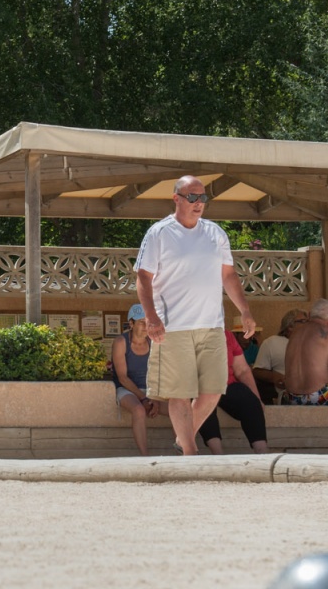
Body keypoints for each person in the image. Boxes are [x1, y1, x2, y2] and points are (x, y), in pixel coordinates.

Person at [136, 175, 258, 455]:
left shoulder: (216, 233)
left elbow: (228, 274)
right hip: (173, 327)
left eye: (202, 197)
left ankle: (185, 438)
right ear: (176, 198)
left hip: (212, 326)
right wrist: (151, 317)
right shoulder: (159, 232)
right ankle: (191, 453)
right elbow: (143, 277)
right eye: (192, 197)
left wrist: (245, 311)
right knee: (179, 393)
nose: (199, 203)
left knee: (214, 390)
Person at [196, 327, 271, 454]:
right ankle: (218, 456)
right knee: (203, 403)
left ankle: (263, 453)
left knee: (250, 401)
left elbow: (242, 370)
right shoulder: (190, 333)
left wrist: (257, 399)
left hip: (227, 384)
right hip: (199, 386)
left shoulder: (227, 336)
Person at [110, 304, 161, 455]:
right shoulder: (121, 342)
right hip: (127, 389)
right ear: (131, 324)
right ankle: (145, 457)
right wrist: (144, 398)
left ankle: (183, 452)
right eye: (141, 322)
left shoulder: (153, 342)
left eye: (148, 322)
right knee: (138, 410)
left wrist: (155, 398)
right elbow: (123, 378)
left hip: (149, 391)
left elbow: (158, 373)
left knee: (177, 407)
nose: (146, 327)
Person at [251, 309, 305, 403]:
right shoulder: (271, 343)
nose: (307, 325)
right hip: (287, 393)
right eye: (303, 321)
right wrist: (274, 376)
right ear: (290, 327)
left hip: (312, 390)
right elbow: (257, 371)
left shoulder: (312, 344)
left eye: (308, 321)